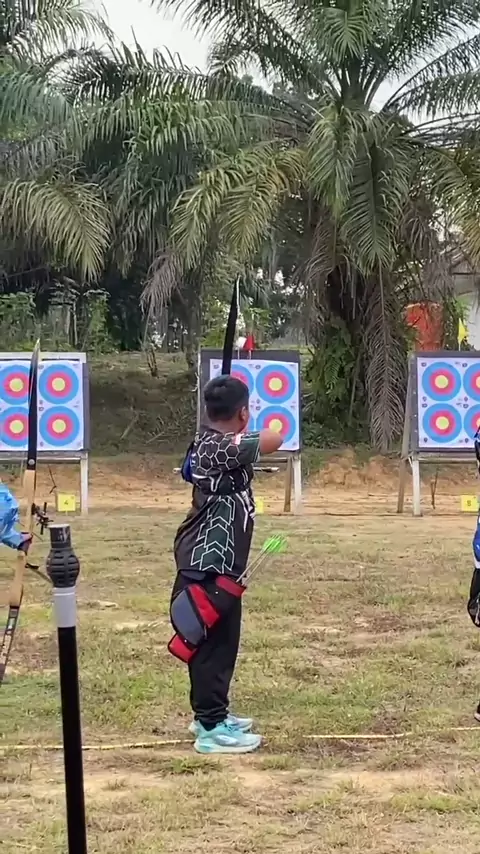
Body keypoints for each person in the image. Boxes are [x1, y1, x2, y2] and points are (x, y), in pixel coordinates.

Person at [172, 374, 282, 754]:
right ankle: (210, 727)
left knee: (223, 641)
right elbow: (274, 437)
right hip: (208, 562)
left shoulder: (216, 444)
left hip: (221, 563)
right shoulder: (216, 447)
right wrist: (244, 429)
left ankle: (214, 714)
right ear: (243, 413)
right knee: (212, 646)